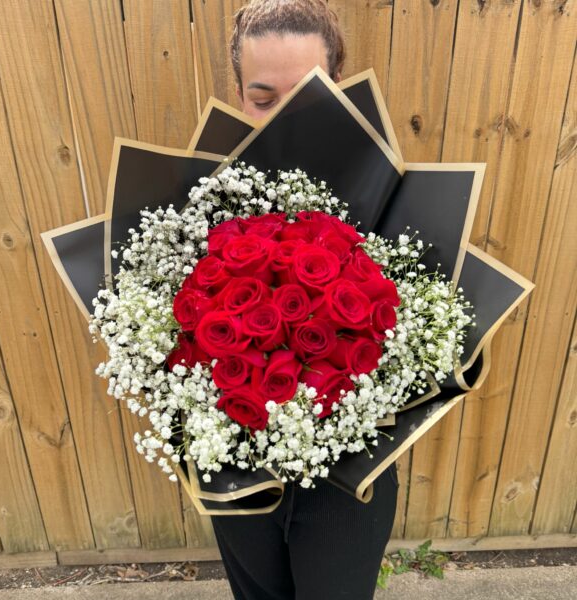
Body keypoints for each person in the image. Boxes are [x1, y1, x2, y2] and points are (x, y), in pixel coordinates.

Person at [209, 2, 399, 599]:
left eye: (308, 92)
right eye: (263, 98)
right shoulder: (199, 202)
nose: (284, 116)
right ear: (238, 92)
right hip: (238, 460)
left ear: (338, 85)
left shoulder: (392, 198)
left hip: (350, 473)